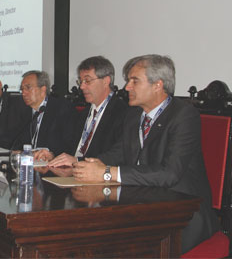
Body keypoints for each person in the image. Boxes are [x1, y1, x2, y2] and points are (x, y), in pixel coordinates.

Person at [72, 54, 219, 253]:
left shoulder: (183, 115)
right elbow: (119, 152)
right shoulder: (133, 115)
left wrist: (106, 172)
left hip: (183, 213)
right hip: (140, 205)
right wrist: (84, 165)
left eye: (134, 81)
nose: (126, 87)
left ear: (157, 85)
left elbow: (170, 173)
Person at [35, 56, 128, 165]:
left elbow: (118, 155)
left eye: (87, 81)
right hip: (72, 173)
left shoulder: (122, 112)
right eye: (81, 81)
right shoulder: (84, 112)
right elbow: (70, 147)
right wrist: (52, 155)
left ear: (106, 81)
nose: (82, 86)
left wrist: (78, 161)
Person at [12, 70, 74, 153]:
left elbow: (68, 144)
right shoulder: (23, 110)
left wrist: (51, 154)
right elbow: (17, 142)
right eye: (22, 89)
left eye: (28, 88)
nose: (23, 93)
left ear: (43, 90)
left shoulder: (61, 109)